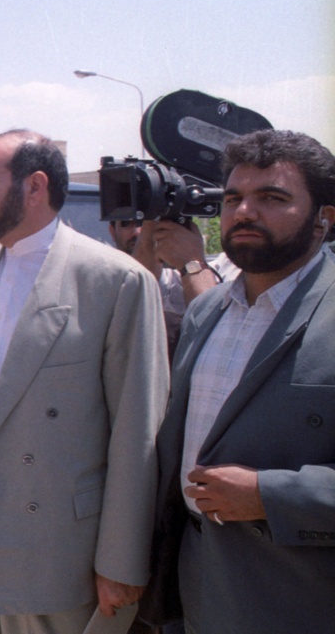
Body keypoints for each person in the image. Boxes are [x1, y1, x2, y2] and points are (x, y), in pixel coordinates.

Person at [0, 129, 169, 632]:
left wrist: (120, 562)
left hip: (56, 531)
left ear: (35, 186)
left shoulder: (115, 281)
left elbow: (137, 432)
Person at [142, 129, 335, 632]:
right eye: (233, 199)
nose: (245, 212)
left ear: (325, 218)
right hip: (196, 589)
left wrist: (270, 495)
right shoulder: (206, 310)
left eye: (272, 198)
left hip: (300, 600)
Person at [109, 219, 188, 356]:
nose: (138, 232)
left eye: (143, 223)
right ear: (112, 232)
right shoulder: (97, 289)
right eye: (126, 223)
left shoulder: (184, 286)